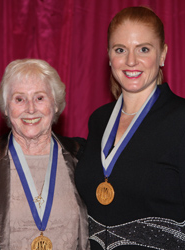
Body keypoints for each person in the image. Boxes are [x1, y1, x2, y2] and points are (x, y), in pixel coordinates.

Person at [75, 6, 185, 250]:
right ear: (109, 56)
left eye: (143, 49)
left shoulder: (181, 120)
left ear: (163, 54)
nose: (131, 61)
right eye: (120, 50)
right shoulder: (99, 120)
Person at [0, 59, 90, 250]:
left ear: (55, 105)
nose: (30, 109)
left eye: (39, 98)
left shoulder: (83, 155)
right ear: (6, 107)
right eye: (19, 99)